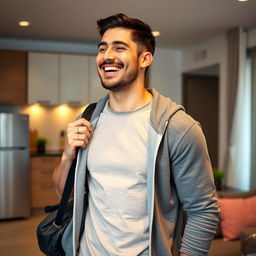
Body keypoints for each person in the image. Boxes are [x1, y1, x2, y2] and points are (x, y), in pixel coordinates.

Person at [53, 13, 219, 256]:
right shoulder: (87, 119)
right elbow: (63, 194)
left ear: (145, 59)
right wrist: (68, 155)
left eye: (119, 48)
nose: (107, 56)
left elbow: (203, 210)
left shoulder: (178, 128)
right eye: (102, 49)